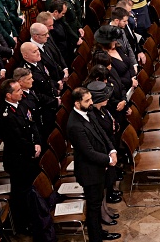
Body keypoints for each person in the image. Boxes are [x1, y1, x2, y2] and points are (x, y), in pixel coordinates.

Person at [66, 87, 121, 242]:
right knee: (93, 208)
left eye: (91, 99)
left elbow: (102, 133)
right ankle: (96, 238)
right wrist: (109, 160)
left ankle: (99, 231)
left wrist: (112, 150)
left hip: (99, 165)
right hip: (90, 172)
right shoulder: (74, 125)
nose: (91, 102)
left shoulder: (89, 112)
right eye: (87, 100)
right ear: (77, 103)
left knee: (97, 204)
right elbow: (88, 152)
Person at [0, 78, 41, 234]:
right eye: (17, 90)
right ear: (9, 95)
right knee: (20, 193)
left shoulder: (21, 104)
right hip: (18, 159)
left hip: (29, 153)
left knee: (30, 189)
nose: (22, 92)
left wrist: (37, 143)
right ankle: (23, 224)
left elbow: (32, 123)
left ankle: (34, 215)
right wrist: (32, 149)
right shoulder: (6, 115)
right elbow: (16, 140)